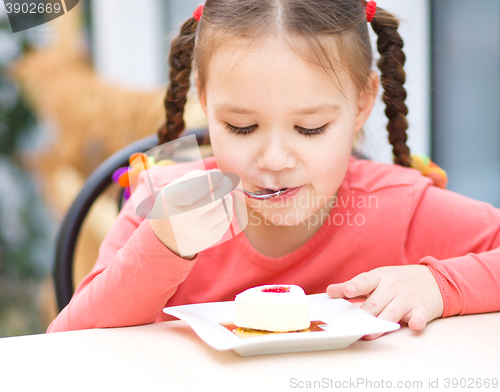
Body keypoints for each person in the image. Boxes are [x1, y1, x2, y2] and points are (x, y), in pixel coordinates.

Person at [47, 0, 500, 338]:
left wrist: (439, 285)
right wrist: (161, 248)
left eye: (310, 127)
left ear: (362, 102)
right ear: (205, 102)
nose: (275, 160)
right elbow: (68, 346)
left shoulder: (398, 206)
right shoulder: (164, 202)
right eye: (242, 128)